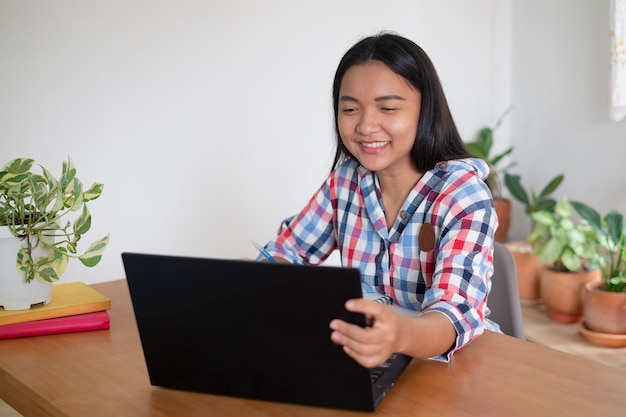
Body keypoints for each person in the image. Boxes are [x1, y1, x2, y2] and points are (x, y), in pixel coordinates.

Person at [257, 32, 499, 367]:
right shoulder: (345, 183)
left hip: (454, 366)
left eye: (387, 108)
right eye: (350, 109)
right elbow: (287, 254)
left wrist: (397, 334)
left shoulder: (463, 195)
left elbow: (453, 312)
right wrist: (239, 280)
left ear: (425, 110)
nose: (365, 125)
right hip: (372, 357)